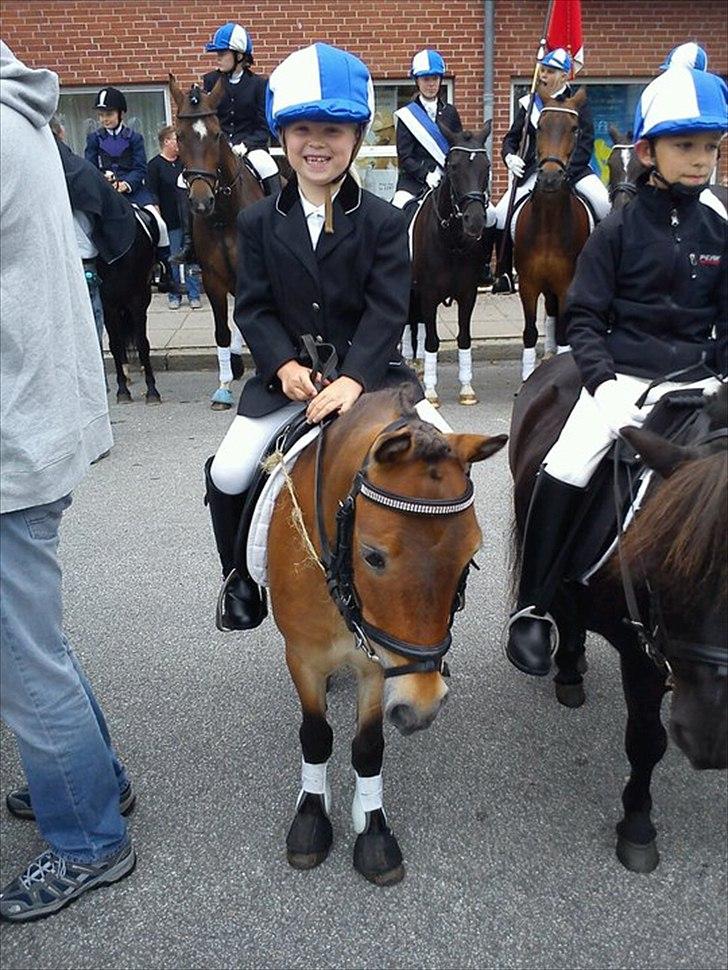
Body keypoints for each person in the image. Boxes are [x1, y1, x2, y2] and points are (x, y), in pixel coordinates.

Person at [205, 42, 446, 633]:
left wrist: (354, 378)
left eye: (333, 130)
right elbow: (254, 307)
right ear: (284, 136)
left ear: (357, 138)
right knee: (230, 471)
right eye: (304, 129)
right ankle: (239, 577)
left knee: (446, 458)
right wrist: (283, 366)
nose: (318, 142)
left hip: (370, 379)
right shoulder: (259, 221)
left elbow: (388, 311)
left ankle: (441, 588)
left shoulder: (386, 223)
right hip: (287, 383)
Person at [505, 63, 727, 677]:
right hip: (623, 377)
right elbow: (582, 319)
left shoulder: (719, 229)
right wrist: (601, 385)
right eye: (686, 145)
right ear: (650, 150)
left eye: (710, 146)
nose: (701, 158)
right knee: (564, 464)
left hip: (701, 383)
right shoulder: (618, 227)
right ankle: (535, 605)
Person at [0, 42, 135, 922]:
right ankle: (96, 782)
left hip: (13, 428)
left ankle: (89, 836)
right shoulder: (25, 118)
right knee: (29, 634)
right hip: (33, 415)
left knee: (20, 651)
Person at [490, 47, 611, 294]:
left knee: (604, 204)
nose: (543, 75)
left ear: (564, 76)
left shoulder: (578, 102)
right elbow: (511, 139)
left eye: (550, 71)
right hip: (535, 171)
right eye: (543, 70)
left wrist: (567, 172)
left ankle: (603, 267)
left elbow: (586, 142)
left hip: (573, 170)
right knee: (500, 214)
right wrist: (509, 157)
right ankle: (502, 272)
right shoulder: (529, 103)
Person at [173, 22, 281, 267]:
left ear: (239, 56)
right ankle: (189, 243)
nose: (218, 59)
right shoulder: (209, 81)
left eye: (222, 54)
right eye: (217, 54)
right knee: (182, 180)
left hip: (249, 147)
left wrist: (246, 144)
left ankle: (277, 233)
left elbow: (263, 126)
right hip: (217, 148)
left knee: (268, 167)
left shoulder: (258, 85)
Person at [85, 86, 171, 285]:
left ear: (120, 113)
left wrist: (126, 184)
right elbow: (89, 166)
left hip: (133, 190)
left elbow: (141, 168)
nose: (104, 119)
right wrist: (103, 181)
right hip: (106, 190)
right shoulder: (94, 139)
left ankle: (164, 265)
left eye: (108, 114)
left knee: (160, 223)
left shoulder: (134, 138)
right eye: (101, 115)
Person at [391, 49, 463, 209]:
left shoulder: (450, 112)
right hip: (413, 182)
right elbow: (405, 156)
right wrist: (425, 175)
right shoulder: (407, 115)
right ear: (417, 81)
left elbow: (458, 147)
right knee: (398, 209)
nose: (431, 84)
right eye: (426, 79)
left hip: (447, 179)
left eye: (435, 78)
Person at [147, 125, 201, 309]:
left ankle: (194, 294)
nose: (179, 143)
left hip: (189, 219)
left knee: (191, 256)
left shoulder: (184, 163)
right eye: (175, 139)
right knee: (174, 257)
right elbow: (152, 193)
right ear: (166, 142)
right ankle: (174, 294)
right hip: (170, 219)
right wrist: (159, 216)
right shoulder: (154, 166)